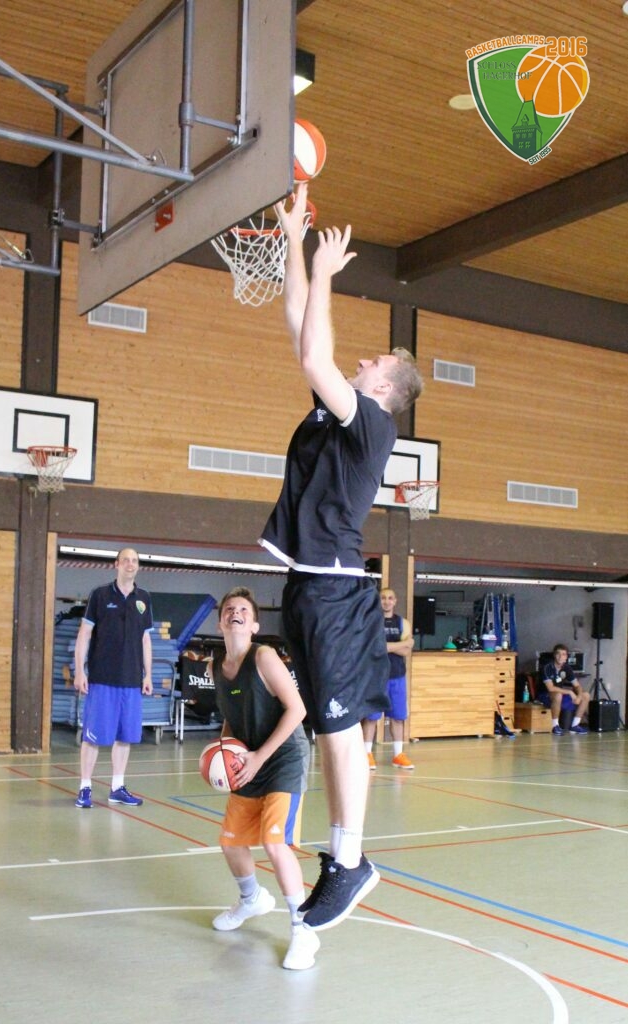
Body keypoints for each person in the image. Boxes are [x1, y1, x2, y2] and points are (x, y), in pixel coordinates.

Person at [259, 183, 424, 931]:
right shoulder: (335, 415)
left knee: (336, 731)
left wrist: (327, 271)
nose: (360, 360)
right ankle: (346, 859)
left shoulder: (373, 427)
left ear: (384, 387)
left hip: (334, 593)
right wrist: (295, 239)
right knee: (329, 730)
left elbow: (314, 349)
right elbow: (299, 323)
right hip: (307, 586)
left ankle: (351, 861)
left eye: (373, 360)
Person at [208, 587, 317, 971]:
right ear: (220, 622)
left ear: (253, 624)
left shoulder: (264, 656)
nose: (234, 613)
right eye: (228, 609)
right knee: (231, 842)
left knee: (274, 842)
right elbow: (231, 716)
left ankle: (303, 929)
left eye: (243, 609)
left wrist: (258, 758)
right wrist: (224, 754)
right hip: (250, 760)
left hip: (283, 758)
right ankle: (252, 899)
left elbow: (297, 709)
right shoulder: (216, 667)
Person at [73, 547, 153, 807]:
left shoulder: (144, 598)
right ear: (116, 564)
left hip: (131, 681)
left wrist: (148, 675)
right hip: (102, 679)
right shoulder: (100, 595)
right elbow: (84, 634)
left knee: (125, 736)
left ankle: (117, 787)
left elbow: (145, 639)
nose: (130, 564)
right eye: (126, 560)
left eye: (135, 561)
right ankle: (85, 788)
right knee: (93, 737)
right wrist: (80, 670)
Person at [362, 587, 415, 770]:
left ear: (395, 601)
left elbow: (406, 652)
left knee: (398, 717)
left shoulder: (403, 623)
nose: (386, 601)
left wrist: (389, 646)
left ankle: (398, 755)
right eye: (383, 598)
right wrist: (404, 643)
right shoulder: (370, 621)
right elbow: (376, 648)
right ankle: (367, 755)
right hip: (375, 676)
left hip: (397, 675)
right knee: (371, 717)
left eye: (390, 598)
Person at [538, 643, 590, 735]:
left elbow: (577, 685)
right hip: (545, 695)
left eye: (563, 654)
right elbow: (550, 688)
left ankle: (575, 725)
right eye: (558, 654)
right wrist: (570, 692)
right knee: (558, 695)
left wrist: (579, 696)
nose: (560, 656)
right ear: (554, 655)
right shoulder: (547, 667)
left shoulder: (567, 668)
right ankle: (555, 726)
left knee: (585, 695)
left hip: (561, 694)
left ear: (566, 657)